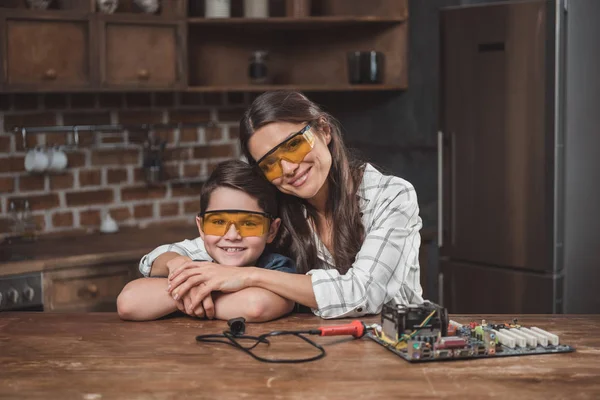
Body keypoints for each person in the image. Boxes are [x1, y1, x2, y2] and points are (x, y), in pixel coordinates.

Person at [142, 90, 424, 319]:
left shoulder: (392, 196)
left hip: (398, 347)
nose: (288, 168)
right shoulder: (279, 205)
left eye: (293, 145)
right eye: (270, 163)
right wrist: (181, 267)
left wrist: (249, 276)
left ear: (323, 131)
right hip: (313, 352)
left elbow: (364, 292)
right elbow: (164, 255)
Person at [117, 160, 295, 322]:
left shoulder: (277, 268)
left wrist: (193, 290)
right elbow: (129, 302)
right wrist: (183, 271)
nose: (232, 236)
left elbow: (255, 306)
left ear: (271, 230)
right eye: (218, 222)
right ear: (201, 227)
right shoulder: (198, 258)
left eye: (249, 223)